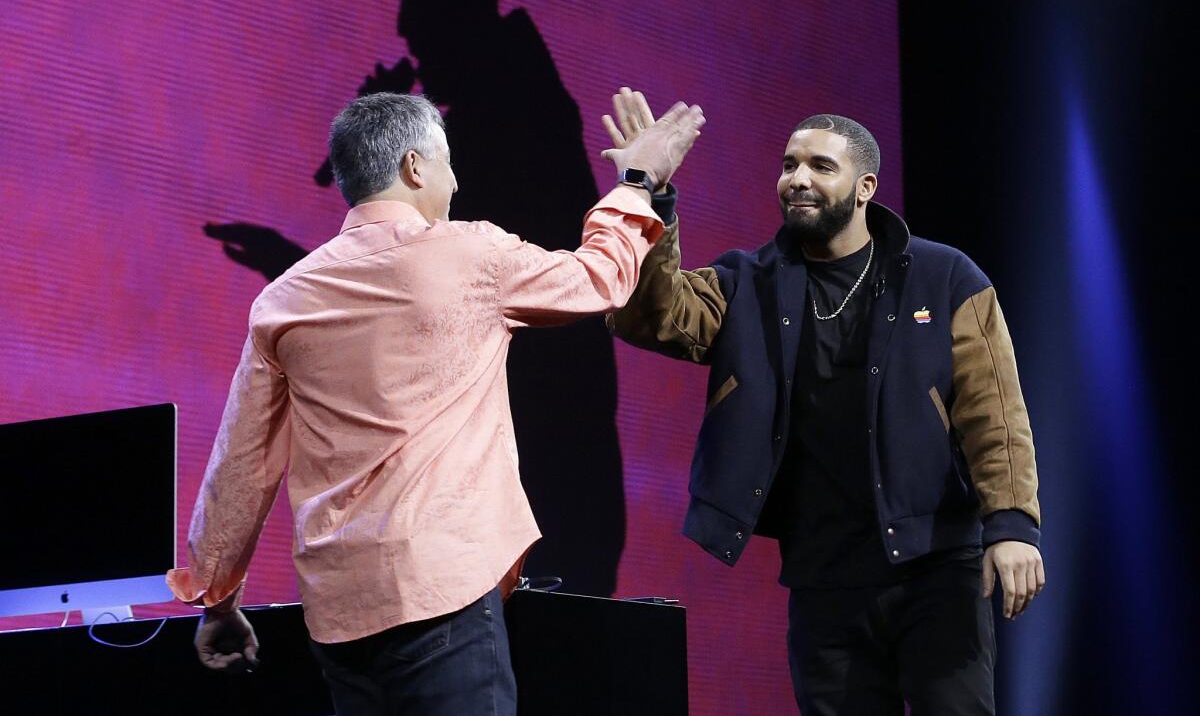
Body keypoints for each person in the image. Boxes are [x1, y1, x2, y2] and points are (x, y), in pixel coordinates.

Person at [166, 91, 705, 716]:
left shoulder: (284, 299)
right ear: (416, 168)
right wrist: (638, 182)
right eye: (448, 165)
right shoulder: (471, 255)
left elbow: (243, 462)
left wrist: (219, 598)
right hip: (441, 593)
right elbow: (600, 278)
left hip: (338, 612)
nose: (455, 182)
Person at [605, 90, 1044, 715]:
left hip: (937, 567)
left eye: (820, 166)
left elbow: (994, 411)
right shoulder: (746, 281)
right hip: (823, 576)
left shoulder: (944, 278)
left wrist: (1011, 525)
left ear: (865, 187)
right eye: (789, 165)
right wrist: (647, 191)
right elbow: (650, 315)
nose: (797, 179)